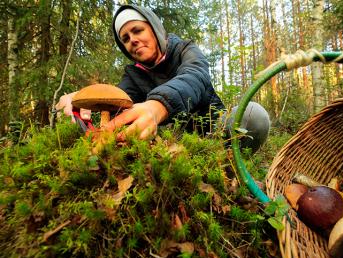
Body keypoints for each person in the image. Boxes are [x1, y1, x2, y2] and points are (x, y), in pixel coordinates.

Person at [56, 4, 270, 153]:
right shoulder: (133, 75)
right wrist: (80, 99)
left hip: (213, 133)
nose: (133, 41)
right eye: (125, 39)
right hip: (171, 146)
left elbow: (195, 76)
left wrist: (156, 107)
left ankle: (230, 175)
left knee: (254, 116)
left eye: (137, 30)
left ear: (156, 30)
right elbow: (117, 103)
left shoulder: (185, 50)